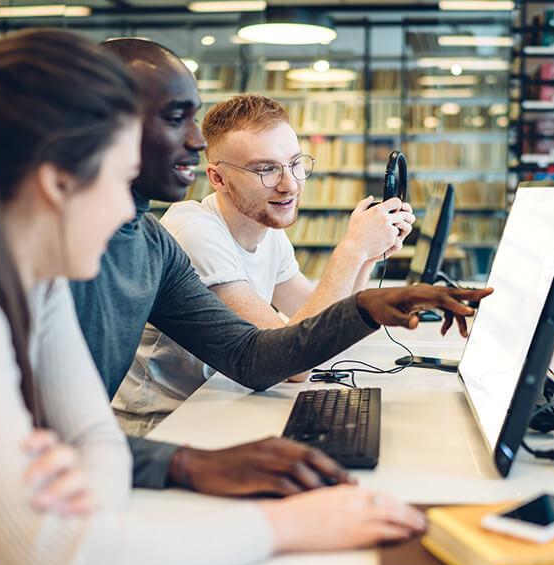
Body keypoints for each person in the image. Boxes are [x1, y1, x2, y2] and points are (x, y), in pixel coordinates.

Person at [0, 29, 433, 565]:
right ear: (58, 184)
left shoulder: (45, 279)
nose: (126, 218)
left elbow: (94, 447)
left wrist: (84, 470)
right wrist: (288, 525)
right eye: (116, 181)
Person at [71, 37, 489, 497]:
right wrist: (349, 255)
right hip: (143, 442)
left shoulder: (151, 244)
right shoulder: (158, 235)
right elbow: (48, 438)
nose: (194, 142)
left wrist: (368, 293)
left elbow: (256, 356)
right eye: (176, 119)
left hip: (145, 446)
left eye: (294, 164)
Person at [114, 93, 416, 423]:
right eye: (267, 169)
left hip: (224, 404)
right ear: (218, 178)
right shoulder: (194, 232)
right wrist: (351, 250)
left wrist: (368, 255)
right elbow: (293, 364)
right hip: (164, 424)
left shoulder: (266, 229)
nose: (290, 185)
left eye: (295, 164)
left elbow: (324, 328)